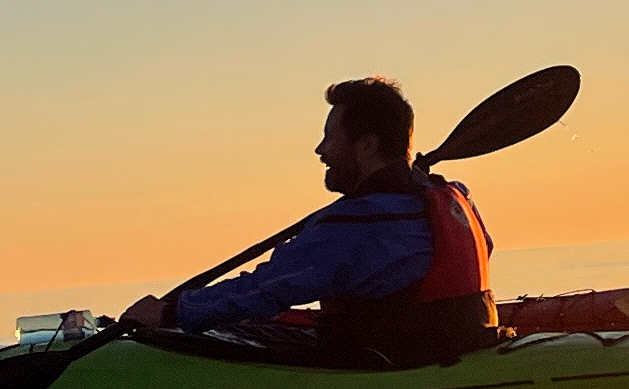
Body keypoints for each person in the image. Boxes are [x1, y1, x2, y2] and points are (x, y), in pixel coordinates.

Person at [117, 77, 498, 365]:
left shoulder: (354, 224)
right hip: (459, 347)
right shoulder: (453, 198)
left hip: (385, 361)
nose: (320, 151)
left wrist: (172, 312)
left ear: (367, 145)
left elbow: (264, 288)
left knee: (229, 327)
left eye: (329, 138)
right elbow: (485, 249)